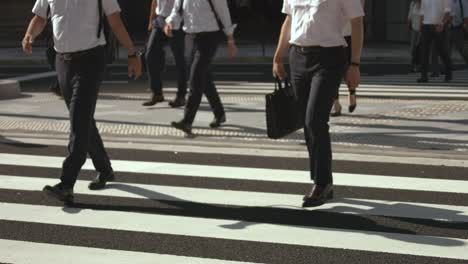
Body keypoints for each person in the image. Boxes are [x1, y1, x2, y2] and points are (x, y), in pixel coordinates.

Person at [22, 0, 142, 203]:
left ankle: (66, 183)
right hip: (63, 61)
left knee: (78, 120)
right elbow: (40, 17)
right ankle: (105, 169)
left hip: (91, 60)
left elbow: (115, 20)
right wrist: (29, 35)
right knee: (83, 119)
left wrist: (132, 53)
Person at [273, 0, 364, 207]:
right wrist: (279, 56)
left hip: (329, 58)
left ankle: (322, 183)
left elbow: (357, 22)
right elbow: (289, 19)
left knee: (315, 120)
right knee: (307, 122)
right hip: (298, 57)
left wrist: (355, 64)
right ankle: (323, 180)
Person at [165, 0, 238, 136]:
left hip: (209, 38)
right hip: (191, 37)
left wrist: (230, 38)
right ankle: (219, 113)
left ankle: (187, 121)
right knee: (204, 79)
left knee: (195, 78)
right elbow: (177, 10)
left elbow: (223, 12)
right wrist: (170, 22)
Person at [142, 0, 187, 108]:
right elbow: (154, 2)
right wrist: (151, 21)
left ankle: (181, 96)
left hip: (177, 21)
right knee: (150, 54)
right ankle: (157, 93)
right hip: (160, 19)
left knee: (179, 59)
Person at [331, 0, 365, 117]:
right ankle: (336, 103)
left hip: (349, 35)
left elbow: (359, 14)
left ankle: (352, 94)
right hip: (333, 35)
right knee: (332, 70)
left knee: (349, 68)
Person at [418, 0, 453, 83]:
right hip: (426, 26)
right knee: (424, 51)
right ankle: (424, 76)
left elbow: (448, 12)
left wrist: (442, 24)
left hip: (439, 26)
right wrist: (421, 25)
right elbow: (422, 12)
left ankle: (448, 74)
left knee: (442, 51)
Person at [449, 0, 468, 65]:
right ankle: (447, 68)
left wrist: (466, 26)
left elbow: (466, 16)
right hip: (448, 28)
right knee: (446, 49)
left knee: (462, 49)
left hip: (458, 28)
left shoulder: (462, 2)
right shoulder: (449, 2)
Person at [408, 0, 423, 73]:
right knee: (412, 48)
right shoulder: (412, 3)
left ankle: (419, 66)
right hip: (414, 28)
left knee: (419, 48)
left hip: (422, 29)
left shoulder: (424, 4)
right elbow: (410, 15)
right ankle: (412, 65)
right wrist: (408, 24)